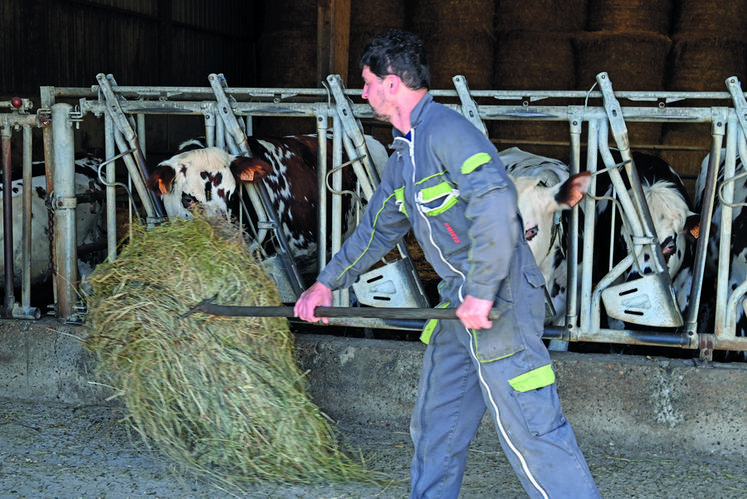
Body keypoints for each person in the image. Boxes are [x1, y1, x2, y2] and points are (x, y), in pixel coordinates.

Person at [294, 29, 601, 499]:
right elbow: (377, 228)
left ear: (392, 84)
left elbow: (496, 203)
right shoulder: (404, 155)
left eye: (368, 82)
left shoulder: (448, 133)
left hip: (500, 298)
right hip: (459, 303)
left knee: (532, 430)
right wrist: (327, 283)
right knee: (437, 424)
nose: (363, 92)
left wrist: (481, 290)